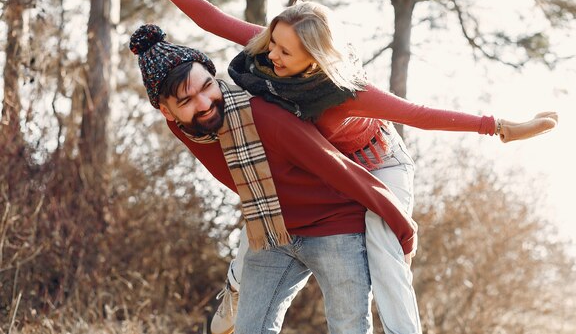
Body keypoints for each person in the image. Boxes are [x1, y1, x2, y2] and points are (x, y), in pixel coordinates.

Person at [111, 0, 558, 334]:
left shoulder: (345, 92)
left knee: (385, 248)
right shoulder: (266, 53)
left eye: (286, 52)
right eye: (273, 43)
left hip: (378, 159)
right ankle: (237, 286)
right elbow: (214, 20)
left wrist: (499, 127)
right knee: (266, 220)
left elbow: (419, 113)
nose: (273, 55)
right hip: (320, 172)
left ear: (315, 61)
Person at [128, 23, 418, 334]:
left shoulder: (264, 118)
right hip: (273, 231)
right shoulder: (185, 127)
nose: (204, 102)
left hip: (336, 226)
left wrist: (401, 228)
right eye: (186, 101)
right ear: (166, 112)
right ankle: (235, 291)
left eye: (207, 85)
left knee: (349, 329)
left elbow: (342, 171)